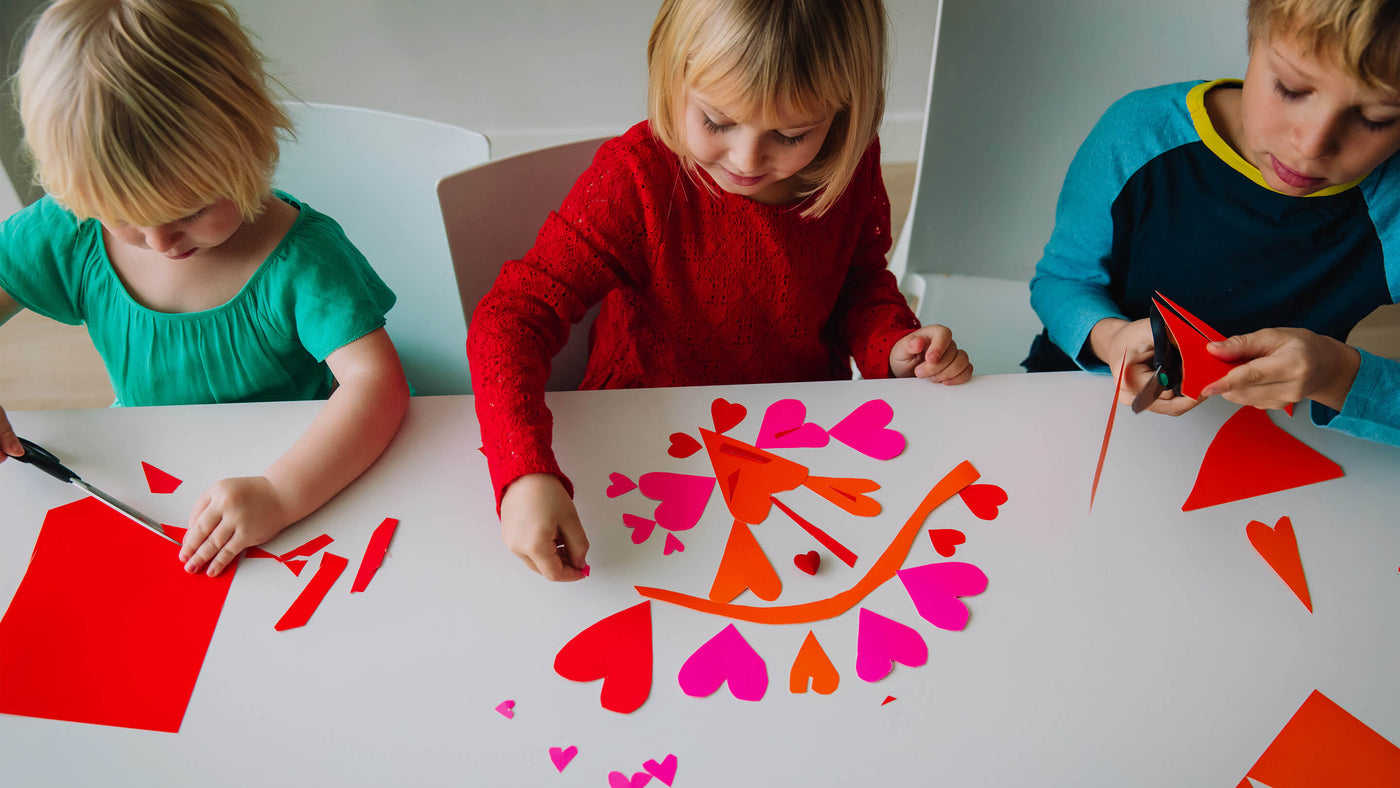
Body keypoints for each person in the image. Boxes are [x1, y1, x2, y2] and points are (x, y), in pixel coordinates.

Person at [468, 0, 973, 582]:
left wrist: (891, 345)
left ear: (845, 112)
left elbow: (859, 282)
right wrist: (524, 471)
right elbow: (511, 317)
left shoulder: (849, 166)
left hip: (794, 437)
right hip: (644, 437)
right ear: (671, 76)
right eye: (716, 121)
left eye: (790, 134)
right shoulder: (636, 178)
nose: (747, 158)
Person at [0, 0, 409, 577]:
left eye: (188, 212)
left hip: (311, 476)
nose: (161, 242)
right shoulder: (74, 228)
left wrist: (281, 494)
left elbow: (378, 386)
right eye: (124, 219)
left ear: (248, 143)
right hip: (159, 475)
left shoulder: (303, 258)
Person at [1025, 0, 1400, 446]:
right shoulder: (1138, 135)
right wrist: (1108, 338)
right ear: (1254, 40)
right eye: (1291, 89)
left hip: (1273, 436)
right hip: (1083, 395)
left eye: (1375, 118)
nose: (1311, 145)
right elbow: (1060, 281)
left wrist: (1338, 373)